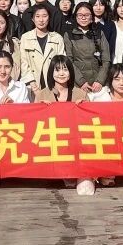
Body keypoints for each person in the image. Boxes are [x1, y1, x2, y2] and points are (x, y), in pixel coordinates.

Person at [35, 56, 97, 195]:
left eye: (65, 69)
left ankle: (80, 175)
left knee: (85, 189)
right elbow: (33, 124)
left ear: (71, 72)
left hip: (75, 144)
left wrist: (84, 107)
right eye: (57, 70)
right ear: (51, 72)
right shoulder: (42, 94)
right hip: (52, 143)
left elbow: (90, 123)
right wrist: (39, 109)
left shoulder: (80, 93)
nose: (61, 73)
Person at [90, 65, 123, 185]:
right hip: (109, 137)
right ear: (110, 80)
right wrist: (81, 103)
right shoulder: (101, 98)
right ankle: (107, 171)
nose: (121, 83)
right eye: (117, 79)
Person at [65, 2, 110, 94]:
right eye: (80, 15)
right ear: (75, 16)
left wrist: (100, 81)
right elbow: (69, 61)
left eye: (86, 15)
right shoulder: (69, 34)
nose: (83, 18)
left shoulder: (99, 33)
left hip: (98, 83)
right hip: (78, 84)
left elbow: (106, 60)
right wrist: (81, 82)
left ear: (92, 16)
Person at [19, 6, 66, 93]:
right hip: (33, 84)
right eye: (37, 16)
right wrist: (33, 86)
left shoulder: (57, 38)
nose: (41, 20)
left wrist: (56, 84)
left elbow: (62, 62)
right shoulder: (26, 37)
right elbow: (24, 63)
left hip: (53, 83)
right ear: (33, 19)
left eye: (44, 16)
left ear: (49, 18)